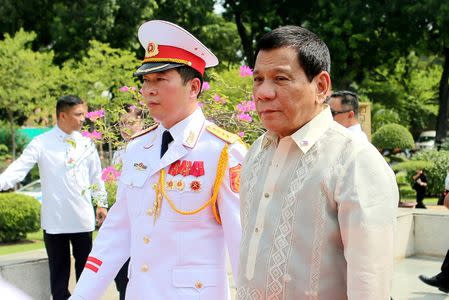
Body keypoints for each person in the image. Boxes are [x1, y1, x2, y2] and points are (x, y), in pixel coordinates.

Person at [70, 20, 246, 300]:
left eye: (161, 80)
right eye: (146, 81)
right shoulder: (139, 147)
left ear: (194, 87)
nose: (148, 90)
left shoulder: (223, 151)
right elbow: (117, 232)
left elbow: (242, 247)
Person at [237, 25, 398, 299]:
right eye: (258, 79)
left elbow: (369, 281)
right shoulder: (256, 152)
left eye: (281, 79)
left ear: (321, 86)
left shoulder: (354, 160)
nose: (263, 92)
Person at [0, 95, 108, 300]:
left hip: (83, 220)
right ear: (62, 115)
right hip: (54, 222)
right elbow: (18, 169)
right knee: (58, 280)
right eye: (78, 114)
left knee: (87, 277)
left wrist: (101, 203)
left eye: (84, 114)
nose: (83, 119)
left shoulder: (87, 143)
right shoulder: (41, 143)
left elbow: (97, 177)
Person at [111, 105, 144, 300]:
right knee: (121, 274)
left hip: (140, 222)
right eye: (122, 123)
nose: (125, 127)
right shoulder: (119, 152)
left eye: (130, 123)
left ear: (141, 122)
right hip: (122, 221)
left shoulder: (149, 148)